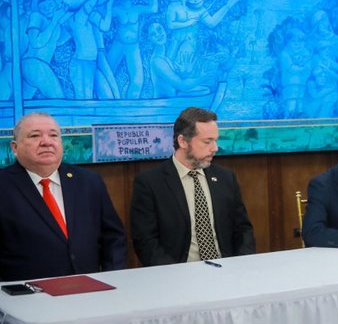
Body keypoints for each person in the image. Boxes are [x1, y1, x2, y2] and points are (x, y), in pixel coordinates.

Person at [0, 112, 127, 281]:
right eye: (35, 136)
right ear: (15, 147)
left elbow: (113, 237)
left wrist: (113, 277)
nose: (46, 142)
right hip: (27, 292)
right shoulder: (4, 185)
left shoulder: (89, 181)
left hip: (90, 288)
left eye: (53, 135)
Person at [130, 107, 255, 266]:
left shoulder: (226, 178)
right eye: (207, 142)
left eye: (216, 140)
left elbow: (243, 230)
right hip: (176, 273)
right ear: (183, 141)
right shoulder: (150, 183)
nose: (215, 148)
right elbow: (146, 241)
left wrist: (241, 266)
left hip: (226, 270)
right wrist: (175, 274)